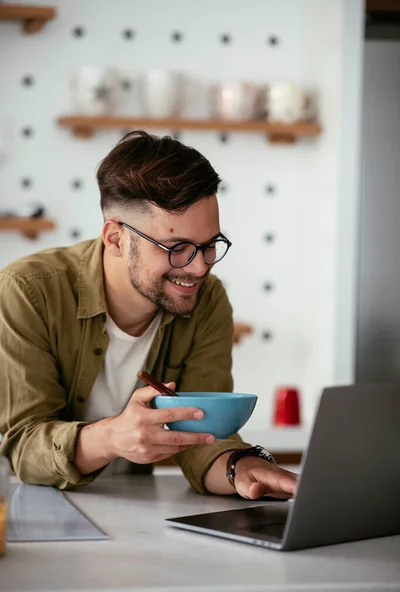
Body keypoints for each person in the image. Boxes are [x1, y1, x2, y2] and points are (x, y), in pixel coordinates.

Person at [0, 131, 297, 500]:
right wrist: (111, 438)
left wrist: (242, 468)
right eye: (177, 248)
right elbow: (23, 448)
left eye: (209, 246)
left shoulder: (208, 299)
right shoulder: (27, 290)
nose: (199, 268)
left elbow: (203, 436)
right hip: (40, 507)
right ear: (116, 239)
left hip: (139, 510)